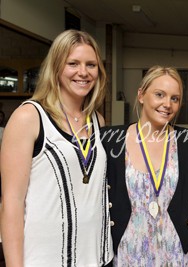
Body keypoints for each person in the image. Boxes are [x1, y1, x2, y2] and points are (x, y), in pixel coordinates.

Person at [0, 29, 113, 266]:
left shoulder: (97, 121)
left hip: (96, 257)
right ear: (56, 67)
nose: (83, 72)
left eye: (91, 65)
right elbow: (11, 203)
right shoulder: (29, 117)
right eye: (73, 63)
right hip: (44, 259)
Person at [101, 65, 188, 266]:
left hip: (175, 254)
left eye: (174, 98)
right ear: (141, 95)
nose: (167, 104)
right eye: (159, 95)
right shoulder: (111, 140)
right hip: (129, 253)